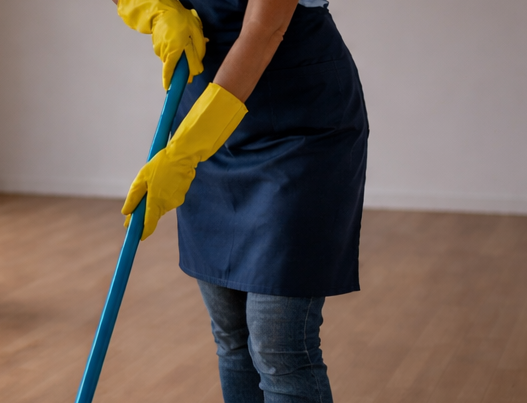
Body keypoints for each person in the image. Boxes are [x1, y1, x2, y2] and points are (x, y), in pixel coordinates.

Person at [113, 0, 368, 402]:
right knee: (232, 336)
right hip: (205, 115)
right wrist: (152, 7)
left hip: (298, 126)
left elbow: (263, 29)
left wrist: (184, 155)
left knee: (279, 345)